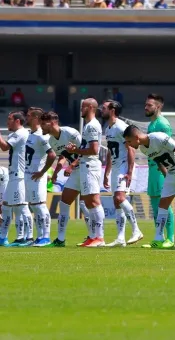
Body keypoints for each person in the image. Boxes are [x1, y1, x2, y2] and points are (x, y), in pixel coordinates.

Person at [123, 125, 175, 249]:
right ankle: (158, 239)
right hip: (172, 173)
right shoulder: (144, 149)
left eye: (129, 141)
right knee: (162, 205)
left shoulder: (159, 137)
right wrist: (165, 174)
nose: (129, 144)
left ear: (136, 137)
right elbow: (157, 160)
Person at [40, 111, 91, 247]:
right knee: (64, 203)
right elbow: (63, 156)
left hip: (87, 168)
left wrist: (72, 165)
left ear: (52, 123)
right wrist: (57, 171)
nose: (41, 127)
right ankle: (61, 239)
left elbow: (86, 151)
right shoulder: (51, 141)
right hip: (75, 171)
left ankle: (94, 236)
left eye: (43, 124)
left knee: (87, 204)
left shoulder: (70, 132)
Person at [102, 100, 143, 247]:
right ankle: (120, 238)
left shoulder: (121, 127)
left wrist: (130, 172)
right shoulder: (108, 128)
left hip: (124, 168)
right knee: (116, 202)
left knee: (120, 198)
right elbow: (110, 151)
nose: (102, 109)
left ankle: (136, 230)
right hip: (115, 169)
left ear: (112, 110)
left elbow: (131, 149)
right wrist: (107, 171)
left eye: (105, 107)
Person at [66, 98, 106, 247]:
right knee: (89, 202)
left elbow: (94, 150)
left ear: (90, 107)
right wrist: (75, 151)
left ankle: (99, 237)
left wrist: (76, 150)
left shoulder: (93, 126)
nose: (81, 109)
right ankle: (94, 236)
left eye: (83, 106)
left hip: (90, 165)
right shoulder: (89, 126)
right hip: (85, 165)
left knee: (94, 201)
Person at [144, 94, 175, 245]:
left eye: (149, 105)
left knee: (164, 204)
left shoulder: (163, 124)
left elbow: (169, 148)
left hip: (161, 169)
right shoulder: (151, 124)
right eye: (146, 105)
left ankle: (170, 238)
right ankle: (159, 237)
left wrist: (164, 168)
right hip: (152, 168)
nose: (146, 107)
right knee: (156, 206)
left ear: (158, 106)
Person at [24, 107, 56, 247]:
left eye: (29, 115)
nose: (27, 117)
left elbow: (52, 155)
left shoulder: (41, 136)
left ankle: (46, 237)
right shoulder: (30, 134)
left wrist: (42, 172)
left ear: (35, 118)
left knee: (40, 206)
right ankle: (39, 237)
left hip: (37, 176)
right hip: (29, 175)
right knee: (34, 207)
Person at [0, 111, 32, 247]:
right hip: (13, 174)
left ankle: (28, 238)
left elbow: (5, 147)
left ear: (17, 121)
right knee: (6, 206)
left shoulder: (21, 133)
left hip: (19, 175)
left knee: (22, 206)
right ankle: (3, 238)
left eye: (9, 119)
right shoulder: (16, 134)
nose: (7, 122)